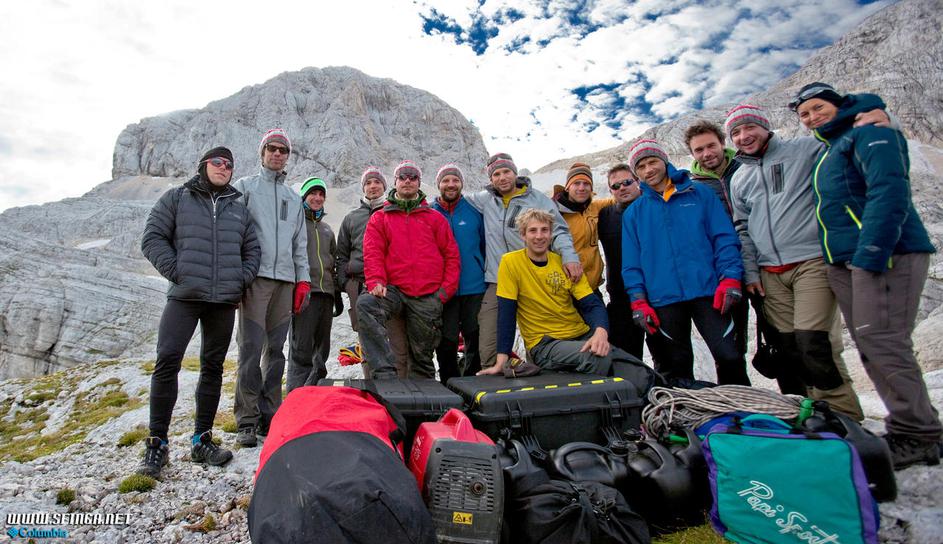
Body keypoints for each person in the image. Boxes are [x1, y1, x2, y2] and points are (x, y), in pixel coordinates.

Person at [792, 82, 940, 469]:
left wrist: (872, 251)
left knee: (884, 341)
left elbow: (888, 191)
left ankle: (920, 434)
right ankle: (910, 426)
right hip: (847, 259)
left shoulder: (870, 132)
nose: (812, 117)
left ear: (839, 105)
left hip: (884, 253)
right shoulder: (833, 146)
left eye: (818, 108)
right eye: (804, 114)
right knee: (872, 344)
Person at [727, 104, 875, 419]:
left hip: (811, 262)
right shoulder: (739, 178)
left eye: (749, 127)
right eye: (736, 132)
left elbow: (847, 157)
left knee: (814, 341)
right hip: (769, 273)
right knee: (789, 347)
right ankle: (811, 413)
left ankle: (844, 416)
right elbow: (743, 228)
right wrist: (751, 272)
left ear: (765, 126)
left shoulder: (805, 150)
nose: (743, 136)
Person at [139, 146, 260, 477]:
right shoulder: (177, 198)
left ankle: (201, 440)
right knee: (168, 360)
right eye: (217, 162)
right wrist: (178, 272)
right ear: (203, 165)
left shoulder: (238, 208)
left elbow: (252, 250)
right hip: (185, 296)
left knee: (213, 367)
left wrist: (240, 279)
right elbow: (152, 238)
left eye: (229, 165)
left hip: (223, 301)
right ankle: (157, 443)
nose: (224, 168)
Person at [621, 139, 750, 386]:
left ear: (665, 161)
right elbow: (631, 263)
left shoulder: (699, 193)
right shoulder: (634, 213)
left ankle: (739, 407)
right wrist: (638, 300)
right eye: (641, 167)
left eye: (652, 162)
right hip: (664, 299)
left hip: (709, 291)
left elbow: (724, 238)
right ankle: (689, 410)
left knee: (730, 357)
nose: (648, 170)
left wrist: (731, 277)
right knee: (677, 366)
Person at [478, 209, 635, 377]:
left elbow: (591, 304)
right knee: (597, 357)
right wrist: (502, 360)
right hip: (545, 343)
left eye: (544, 230)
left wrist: (600, 332)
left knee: (634, 367)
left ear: (551, 233)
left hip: (580, 334)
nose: (539, 236)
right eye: (533, 231)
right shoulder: (510, 262)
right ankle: (586, 393)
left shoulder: (566, 263)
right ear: (523, 235)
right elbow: (506, 313)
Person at [465, 153, 582, 370]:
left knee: (539, 339)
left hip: (532, 278)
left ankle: (541, 378)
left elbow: (558, 231)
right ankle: (499, 384)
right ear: (490, 179)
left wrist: (569, 257)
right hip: (498, 280)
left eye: (506, 172)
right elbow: (453, 198)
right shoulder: (485, 199)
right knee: (489, 345)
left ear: (515, 173)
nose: (502, 178)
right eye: (496, 174)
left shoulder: (537, 199)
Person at [231, 129, 309, 448]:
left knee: (276, 351)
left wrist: (303, 279)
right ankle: (246, 419)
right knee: (250, 349)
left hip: (285, 281)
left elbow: (299, 243)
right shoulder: (245, 188)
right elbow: (233, 233)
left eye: (283, 150)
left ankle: (270, 414)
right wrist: (237, 275)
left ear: (288, 156)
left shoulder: (293, 197)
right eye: (272, 148)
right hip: (256, 278)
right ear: (262, 152)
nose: (277, 153)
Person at [357, 160, 460, 379]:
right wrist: (376, 280)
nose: (407, 181)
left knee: (422, 359)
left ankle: (425, 396)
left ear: (419, 183)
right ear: (395, 182)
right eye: (402, 177)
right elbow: (373, 252)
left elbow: (451, 256)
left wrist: (443, 293)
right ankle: (384, 372)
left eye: (413, 177)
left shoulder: (435, 218)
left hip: (427, 294)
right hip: (393, 291)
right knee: (366, 305)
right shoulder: (380, 217)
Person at [336, 167, 412, 377]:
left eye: (377, 182)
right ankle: (372, 387)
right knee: (367, 341)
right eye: (368, 183)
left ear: (385, 186)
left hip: (389, 286)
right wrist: (345, 284)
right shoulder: (351, 218)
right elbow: (341, 255)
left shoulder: (394, 213)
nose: (373, 186)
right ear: (363, 188)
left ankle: (398, 388)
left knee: (396, 340)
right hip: (359, 284)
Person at [685, 121, 751, 361]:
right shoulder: (693, 187)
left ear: (722, 143)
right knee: (732, 342)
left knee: (779, 332)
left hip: (761, 259)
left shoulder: (747, 168)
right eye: (699, 150)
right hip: (723, 268)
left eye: (711, 146)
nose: (706, 153)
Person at [286, 177, 343, 392]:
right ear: (304, 196)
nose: (317, 198)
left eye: (321, 194)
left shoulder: (327, 230)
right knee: (301, 350)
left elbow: (333, 262)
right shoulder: (295, 224)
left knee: (322, 350)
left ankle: (314, 393)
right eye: (313, 193)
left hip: (326, 295)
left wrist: (336, 293)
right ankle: (296, 396)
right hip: (304, 293)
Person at [431, 163, 486, 381]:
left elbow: (484, 244)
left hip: (474, 286)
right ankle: (449, 383)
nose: (451, 184)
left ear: (462, 184)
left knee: (475, 336)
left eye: (455, 180)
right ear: (439, 184)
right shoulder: (430, 212)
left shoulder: (474, 210)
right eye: (446, 180)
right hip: (444, 289)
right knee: (447, 340)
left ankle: (473, 382)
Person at [597, 163, 648, 360]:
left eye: (627, 182)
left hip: (656, 294)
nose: (622, 188)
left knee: (667, 355)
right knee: (626, 357)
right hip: (620, 297)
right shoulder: (605, 215)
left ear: (637, 181)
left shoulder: (653, 208)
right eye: (615, 186)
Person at [552, 162, 614, 291]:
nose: (582, 188)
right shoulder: (554, 213)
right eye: (576, 183)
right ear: (567, 187)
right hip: (566, 289)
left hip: (592, 286)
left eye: (586, 184)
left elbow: (619, 198)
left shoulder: (595, 207)